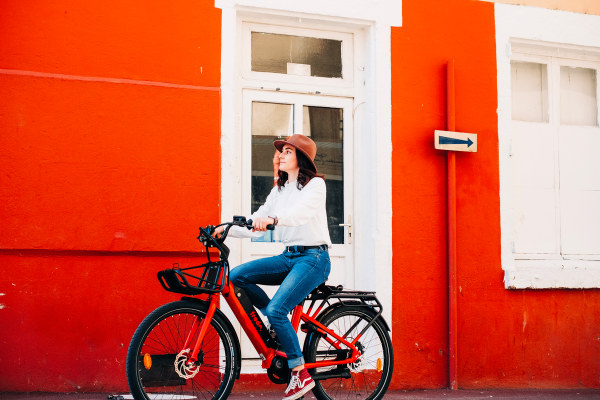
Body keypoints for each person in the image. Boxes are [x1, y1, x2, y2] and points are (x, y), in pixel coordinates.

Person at [213, 134, 331, 400]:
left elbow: (299, 213)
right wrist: (226, 229)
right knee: (237, 277)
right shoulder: (278, 190)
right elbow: (256, 222)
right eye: (281, 152)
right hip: (288, 257)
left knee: (279, 308)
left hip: (314, 258)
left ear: (301, 159)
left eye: (288, 151)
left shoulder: (315, 185)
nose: (281, 155)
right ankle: (274, 318)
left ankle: (299, 373)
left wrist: (273, 219)